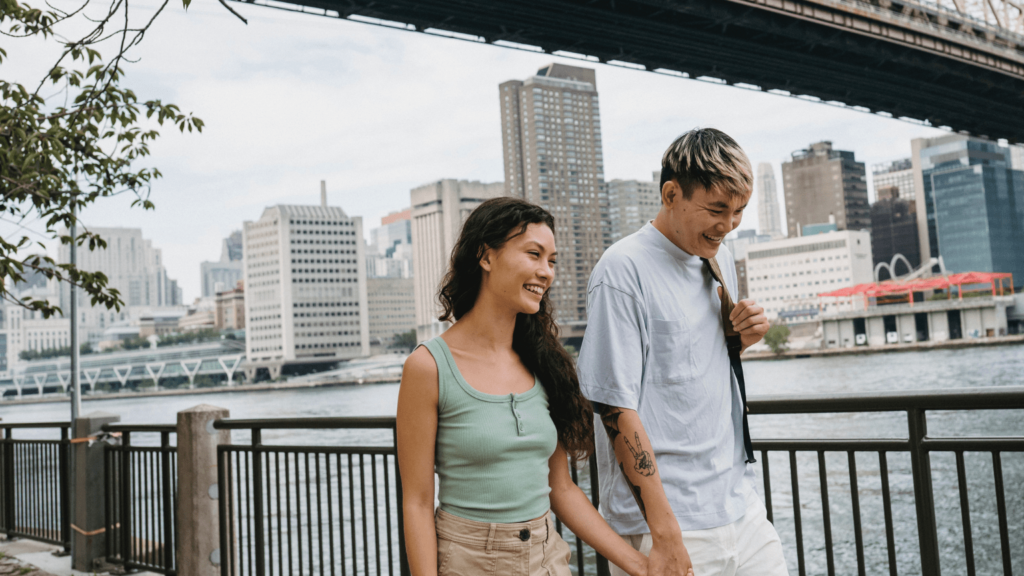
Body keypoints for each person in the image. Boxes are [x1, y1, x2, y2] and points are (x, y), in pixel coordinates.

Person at [397, 197, 658, 576]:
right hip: (470, 560)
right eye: (533, 254)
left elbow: (562, 490)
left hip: (547, 557)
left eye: (551, 261)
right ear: (486, 257)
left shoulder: (544, 364)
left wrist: (642, 566)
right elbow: (417, 503)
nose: (546, 272)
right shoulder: (428, 367)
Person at [577, 128, 789, 576]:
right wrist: (666, 535)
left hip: (740, 507)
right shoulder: (622, 270)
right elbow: (615, 408)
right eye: (717, 209)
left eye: (739, 211)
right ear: (671, 193)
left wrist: (739, 341)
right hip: (669, 525)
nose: (729, 224)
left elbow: (690, 370)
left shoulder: (717, 257)